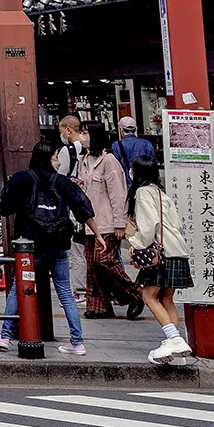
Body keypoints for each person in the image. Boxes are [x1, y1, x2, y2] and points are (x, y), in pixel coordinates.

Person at [0, 143, 92, 356]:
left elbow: (6, 207)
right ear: (48, 158)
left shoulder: (22, 179)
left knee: (20, 287)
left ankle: (6, 336)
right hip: (59, 243)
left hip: (31, 244)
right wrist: (98, 234)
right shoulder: (62, 182)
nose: (58, 159)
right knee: (65, 291)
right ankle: (77, 341)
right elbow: (83, 207)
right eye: (56, 155)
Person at [123, 151, 192, 365]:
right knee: (166, 298)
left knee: (148, 296)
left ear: (137, 172)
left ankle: (175, 340)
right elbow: (177, 224)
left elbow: (148, 226)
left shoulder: (142, 193)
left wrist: (135, 243)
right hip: (176, 250)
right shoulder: (161, 193)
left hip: (159, 254)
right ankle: (177, 350)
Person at [76, 122, 141, 319]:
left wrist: (120, 223)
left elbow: (118, 194)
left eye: (85, 132)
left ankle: (134, 294)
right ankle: (99, 306)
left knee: (104, 261)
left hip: (107, 221)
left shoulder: (109, 161)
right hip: (89, 221)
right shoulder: (85, 159)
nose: (82, 136)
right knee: (93, 265)